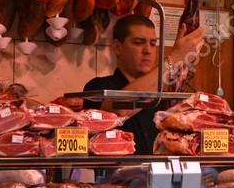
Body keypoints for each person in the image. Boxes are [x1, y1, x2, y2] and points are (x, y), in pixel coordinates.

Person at [83, 14, 204, 155]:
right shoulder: (98, 87)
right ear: (117, 47)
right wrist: (175, 58)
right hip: (115, 176)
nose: (148, 50)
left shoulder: (160, 95)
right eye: (138, 42)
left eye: (153, 43)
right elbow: (120, 110)